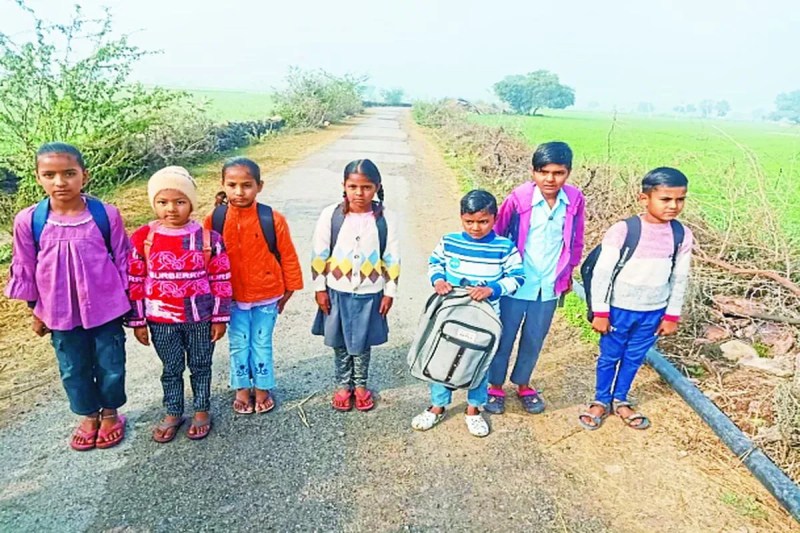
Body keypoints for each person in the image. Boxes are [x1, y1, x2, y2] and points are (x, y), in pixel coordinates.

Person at [4, 142, 130, 451]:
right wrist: (36, 311)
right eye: (49, 175)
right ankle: (89, 415)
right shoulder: (29, 221)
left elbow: (124, 260)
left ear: (84, 175)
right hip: (58, 313)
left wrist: (133, 306)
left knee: (111, 363)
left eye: (69, 173)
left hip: (107, 308)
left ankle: (110, 413)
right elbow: (26, 266)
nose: (60, 182)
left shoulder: (105, 215)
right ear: (38, 177)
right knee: (72, 367)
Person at [579, 167, 693, 431]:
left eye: (680, 199)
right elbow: (602, 274)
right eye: (665, 199)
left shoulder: (681, 235)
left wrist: (671, 315)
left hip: (653, 312)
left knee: (634, 358)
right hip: (618, 310)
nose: (673, 206)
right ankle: (600, 400)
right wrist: (601, 312)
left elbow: (679, 277)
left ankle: (621, 400)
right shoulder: (624, 230)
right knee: (609, 356)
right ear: (644, 198)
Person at [127, 166, 232, 442]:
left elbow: (221, 279)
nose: (171, 209)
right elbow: (135, 280)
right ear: (153, 203)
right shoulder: (143, 239)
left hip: (200, 319)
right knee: (171, 368)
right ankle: (173, 410)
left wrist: (220, 318)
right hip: (161, 321)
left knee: (201, 365)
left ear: (191, 203)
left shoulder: (208, 239)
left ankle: (201, 409)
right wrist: (137, 321)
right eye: (162, 202)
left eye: (180, 201)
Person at [411, 189, 524, 437]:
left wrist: (492, 289)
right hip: (450, 314)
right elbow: (435, 262)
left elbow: (517, 277)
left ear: (494, 219)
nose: (476, 227)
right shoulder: (449, 242)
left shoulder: (504, 247)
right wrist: (438, 280)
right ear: (461, 217)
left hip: (485, 319)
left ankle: (474, 409)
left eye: (483, 221)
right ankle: (437, 405)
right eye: (469, 221)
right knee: (441, 357)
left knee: (479, 361)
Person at [488, 141, 585, 415]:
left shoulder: (574, 200)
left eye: (558, 173)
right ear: (533, 172)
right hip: (516, 284)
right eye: (544, 172)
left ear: (568, 173)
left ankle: (523, 384)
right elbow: (498, 234)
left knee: (534, 337)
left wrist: (568, 271)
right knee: (504, 336)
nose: (550, 179)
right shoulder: (519, 199)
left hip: (549, 285)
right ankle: (495, 386)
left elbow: (576, 239)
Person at [203, 157, 303, 414]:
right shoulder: (214, 219)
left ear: (259, 186)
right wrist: (211, 297)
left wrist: (289, 289)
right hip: (232, 297)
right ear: (223, 185)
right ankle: (241, 387)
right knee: (238, 343)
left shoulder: (272, 219)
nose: (239, 192)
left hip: (267, 295)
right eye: (232, 185)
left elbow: (288, 256)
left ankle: (262, 387)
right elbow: (205, 260)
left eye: (247, 185)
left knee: (261, 342)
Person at [310, 159, 400, 412]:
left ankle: (360, 385)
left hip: (370, 293)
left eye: (367, 187)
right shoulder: (331, 215)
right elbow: (319, 253)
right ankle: (343, 385)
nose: (359, 193)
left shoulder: (386, 218)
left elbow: (392, 257)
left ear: (377, 187)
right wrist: (319, 288)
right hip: (336, 291)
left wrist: (390, 292)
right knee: (339, 340)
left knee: (362, 341)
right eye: (353, 187)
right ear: (344, 186)